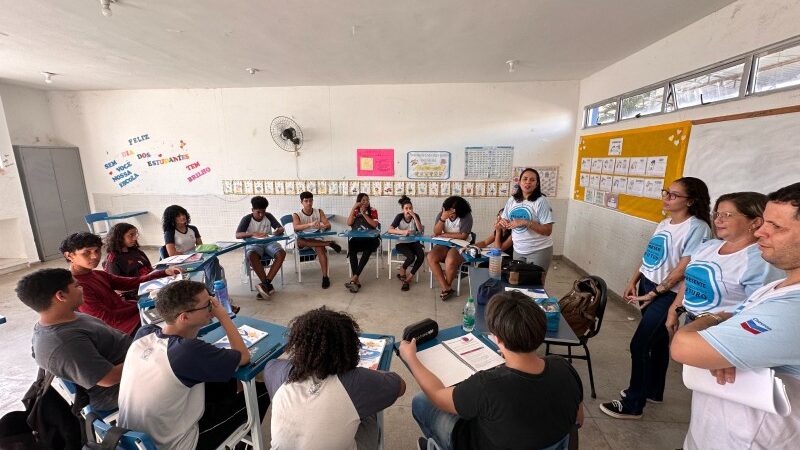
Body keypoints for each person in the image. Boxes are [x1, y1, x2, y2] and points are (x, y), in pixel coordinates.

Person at [671, 182, 800, 449]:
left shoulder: (793, 308)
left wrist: (710, 322)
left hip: (749, 441)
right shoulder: (778, 287)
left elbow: (684, 347)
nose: (761, 232)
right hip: (713, 435)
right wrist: (720, 336)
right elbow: (731, 319)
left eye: (777, 227)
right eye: (765, 222)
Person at [400, 291, 584, 450]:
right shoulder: (564, 367)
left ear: (496, 338)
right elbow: (578, 420)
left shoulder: (488, 385)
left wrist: (411, 359)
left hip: (480, 443)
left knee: (421, 402)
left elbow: (438, 395)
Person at [600, 177, 712, 419]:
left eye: (673, 195)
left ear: (690, 201)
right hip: (649, 283)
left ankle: (633, 403)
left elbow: (683, 269)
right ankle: (652, 390)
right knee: (658, 342)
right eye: (666, 192)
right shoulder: (665, 223)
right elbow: (649, 255)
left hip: (668, 293)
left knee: (639, 344)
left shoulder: (698, 228)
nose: (666, 198)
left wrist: (654, 293)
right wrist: (633, 280)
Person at [118, 280, 269, 450]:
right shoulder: (186, 351)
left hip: (133, 440)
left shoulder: (144, 333)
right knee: (261, 393)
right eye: (208, 305)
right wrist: (224, 316)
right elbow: (243, 357)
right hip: (176, 444)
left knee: (223, 380)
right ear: (184, 317)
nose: (213, 307)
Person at [264, 307, 405, 450]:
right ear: (349, 347)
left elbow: (274, 364)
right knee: (370, 408)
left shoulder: (276, 371)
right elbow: (400, 386)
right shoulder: (356, 382)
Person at [665, 192, 784, 336]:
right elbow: (689, 280)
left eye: (727, 215)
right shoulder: (709, 246)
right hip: (691, 320)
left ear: (755, 222)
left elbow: (755, 313)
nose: (717, 221)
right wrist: (675, 310)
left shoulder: (760, 261)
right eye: (717, 214)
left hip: (721, 330)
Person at [18, 268, 131, 411]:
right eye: (77, 286)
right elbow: (109, 378)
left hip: (130, 363)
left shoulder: (66, 316)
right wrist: (146, 358)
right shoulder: (64, 342)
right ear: (61, 296)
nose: (82, 288)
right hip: (116, 391)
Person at [60, 232, 180, 335]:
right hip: (124, 330)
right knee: (181, 320)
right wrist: (139, 307)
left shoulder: (97, 274)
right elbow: (105, 319)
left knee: (179, 309)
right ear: (69, 255)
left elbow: (132, 282)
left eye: (97, 251)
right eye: (86, 253)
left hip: (134, 317)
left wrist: (164, 272)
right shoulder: (76, 285)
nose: (95, 256)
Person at [500, 168, 554, 282]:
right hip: (518, 249)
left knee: (535, 285)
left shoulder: (541, 201)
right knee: (516, 283)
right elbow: (504, 218)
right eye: (525, 179)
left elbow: (548, 230)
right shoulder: (512, 200)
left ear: (537, 184)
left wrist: (525, 222)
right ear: (519, 182)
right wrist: (502, 222)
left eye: (532, 180)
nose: (528, 182)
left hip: (539, 250)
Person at [162, 204, 226, 295]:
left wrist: (195, 254)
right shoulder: (170, 232)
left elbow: (200, 247)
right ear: (172, 219)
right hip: (181, 263)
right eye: (178, 216)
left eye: (183, 214)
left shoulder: (193, 228)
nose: (182, 217)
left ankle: (212, 292)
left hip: (195, 258)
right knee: (212, 264)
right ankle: (214, 293)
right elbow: (172, 253)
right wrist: (189, 254)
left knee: (213, 260)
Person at [235, 195, 287, 299]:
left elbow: (280, 228)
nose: (261, 214)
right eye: (258, 212)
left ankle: (265, 284)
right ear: (252, 210)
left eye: (263, 212)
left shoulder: (268, 216)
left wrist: (278, 230)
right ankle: (267, 285)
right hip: (254, 244)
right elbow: (237, 234)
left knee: (282, 253)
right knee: (251, 255)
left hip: (269, 242)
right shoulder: (247, 219)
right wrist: (253, 234)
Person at [292, 191, 342, 289]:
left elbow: (328, 224)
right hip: (303, 240)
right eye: (306, 201)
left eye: (311, 200)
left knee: (320, 249)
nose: (309, 203)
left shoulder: (318, 211)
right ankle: (328, 243)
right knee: (300, 241)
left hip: (316, 238)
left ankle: (325, 277)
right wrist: (310, 224)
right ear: (301, 202)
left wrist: (323, 226)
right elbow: (296, 227)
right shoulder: (296, 214)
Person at [427, 196, 473, 301]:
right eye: (448, 209)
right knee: (431, 256)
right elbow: (437, 231)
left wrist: (445, 235)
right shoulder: (442, 215)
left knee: (450, 259)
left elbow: (463, 236)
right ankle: (446, 287)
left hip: (462, 244)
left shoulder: (466, 216)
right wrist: (442, 219)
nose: (450, 212)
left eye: (453, 209)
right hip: (445, 243)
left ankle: (447, 287)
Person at [103, 223, 155, 300]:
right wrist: (142, 286)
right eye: (131, 235)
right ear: (119, 237)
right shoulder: (113, 260)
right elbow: (117, 288)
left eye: (135, 235)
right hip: (134, 294)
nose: (135, 238)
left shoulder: (137, 252)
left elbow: (149, 268)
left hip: (150, 285)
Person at [388, 195, 426, 291]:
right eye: (406, 208)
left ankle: (408, 278)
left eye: (410, 208)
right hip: (401, 243)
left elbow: (420, 230)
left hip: (413, 242)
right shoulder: (399, 217)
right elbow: (390, 230)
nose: (409, 210)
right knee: (411, 257)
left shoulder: (415, 216)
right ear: (403, 210)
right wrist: (402, 232)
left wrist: (414, 216)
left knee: (421, 255)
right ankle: (403, 268)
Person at [345, 193, 380, 293]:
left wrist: (364, 214)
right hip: (358, 238)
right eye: (363, 200)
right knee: (351, 247)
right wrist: (354, 209)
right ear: (359, 201)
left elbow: (374, 224)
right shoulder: (355, 211)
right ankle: (356, 281)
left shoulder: (373, 211)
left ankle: (355, 277)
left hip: (371, 239)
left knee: (368, 249)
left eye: (367, 200)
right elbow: (349, 223)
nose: (366, 202)